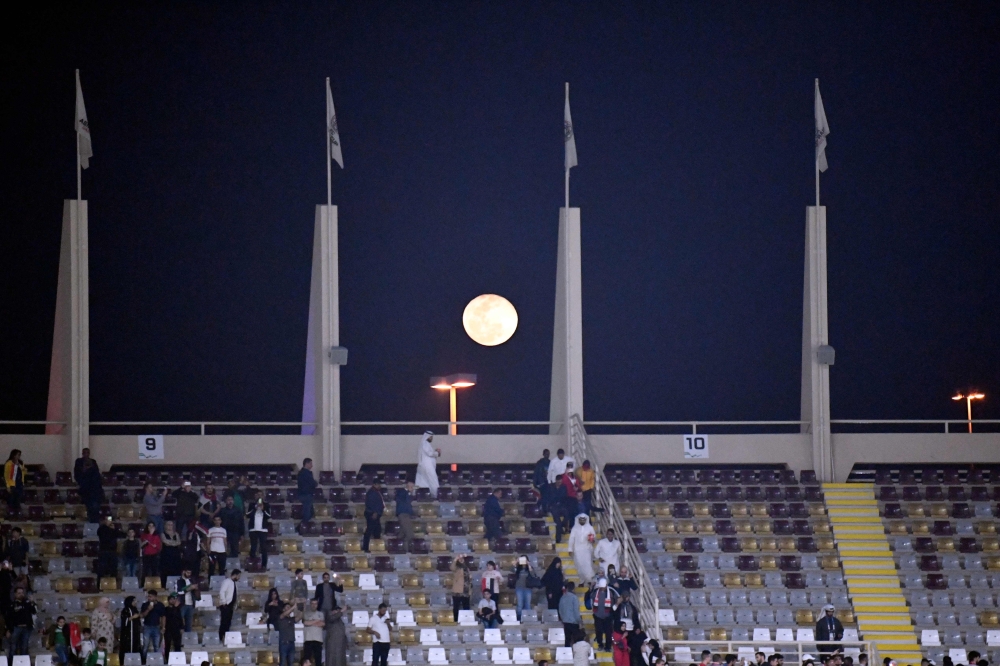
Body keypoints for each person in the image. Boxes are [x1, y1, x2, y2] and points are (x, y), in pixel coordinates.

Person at [75, 449, 104, 523]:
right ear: (82, 453)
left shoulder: (94, 467)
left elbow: (98, 479)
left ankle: (94, 526)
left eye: (87, 453)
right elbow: (77, 476)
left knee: (95, 511)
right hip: (87, 492)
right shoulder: (79, 462)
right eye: (84, 453)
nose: (86, 455)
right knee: (90, 510)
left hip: (94, 493)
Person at [7, 587, 36, 659]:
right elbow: (8, 618)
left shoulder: (27, 603)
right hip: (15, 628)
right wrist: (8, 629)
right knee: (13, 648)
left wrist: (32, 602)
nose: (21, 594)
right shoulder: (12, 605)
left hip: (26, 628)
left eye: (22, 593)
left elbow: (34, 612)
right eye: (19, 593)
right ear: (15, 594)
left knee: (24, 647)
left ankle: (24, 663)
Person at [592, 577, 619, 652]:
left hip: (607, 616)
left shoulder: (611, 592)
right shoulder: (595, 592)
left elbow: (616, 601)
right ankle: (600, 644)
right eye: (601, 588)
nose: (602, 589)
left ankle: (608, 646)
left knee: (608, 632)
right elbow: (591, 599)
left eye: (603, 588)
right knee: (598, 631)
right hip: (598, 616)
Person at [567, 514, 596, 582]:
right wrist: (570, 549)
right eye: (581, 519)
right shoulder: (575, 528)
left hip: (587, 549)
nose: (582, 521)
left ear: (586, 520)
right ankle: (582, 580)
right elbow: (571, 539)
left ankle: (590, 581)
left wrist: (592, 540)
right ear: (578, 520)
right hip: (577, 550)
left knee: (588, 565)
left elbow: (594, 539)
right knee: (580, 565)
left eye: (584, 519)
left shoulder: (590, 528)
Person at [246, 490, 271, 568]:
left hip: (263, 530)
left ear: (263, 496)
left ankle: (263, 565)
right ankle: (252, 564)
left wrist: (263, 509)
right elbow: (247, 515)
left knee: (263, 548)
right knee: (253, 547)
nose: (259, 496)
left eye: (261, 495)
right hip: (253, 529)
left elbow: (268, 516)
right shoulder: (252, 504)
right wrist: (255, 508)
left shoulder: (266, 505)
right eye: (258, 495)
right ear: (255, 496)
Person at [97, 516, 125, 583]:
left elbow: (122, 535)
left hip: (112, 552)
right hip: (104, 552)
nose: (110, 521)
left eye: (110, 520)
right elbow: (104, 535)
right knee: (102, 570)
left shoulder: (113, 529)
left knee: (113, 570)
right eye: (108, 520)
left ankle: (113, 584)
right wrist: (112, 529)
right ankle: (100, 585)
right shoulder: (101, 529)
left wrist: (113, 529)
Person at [139, 590, 165, 658]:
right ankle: (143, 660)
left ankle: (157, 659)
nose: (149, 598)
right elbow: (142, 615)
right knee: (145, 645)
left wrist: (163, 627)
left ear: (155, 597)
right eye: (148, 596)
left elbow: (163, 616)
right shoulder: (145, 605)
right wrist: (148, 609)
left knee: (156, 645)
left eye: (151, 596)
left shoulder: (160, 605)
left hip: (157, 627)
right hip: (147, 626)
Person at [415, 431, 441, 496]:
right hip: (427, 467)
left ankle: (420, 495)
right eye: (431, 437)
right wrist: (437, 453)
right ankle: (436, 495)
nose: (432, 438)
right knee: (433, 480)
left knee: (422, 481)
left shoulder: (424, 444)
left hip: (423, 467)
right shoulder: (425, 443)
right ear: (428, 437)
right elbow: (430, 453)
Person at [362, 479, 385, 553]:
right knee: (370, 531)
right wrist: (375, 512)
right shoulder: (372, 493)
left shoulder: (375, 492)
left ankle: (376, 546)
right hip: (372, 514)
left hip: (376, 514)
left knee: (377, 531)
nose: (379, 486)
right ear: (375, 484)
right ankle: (365, 547)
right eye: (378, 484)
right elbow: (371, 504)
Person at [218, 569, 241, 642]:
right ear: (236, 575)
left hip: (230, 606)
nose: (239, 577)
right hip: (226, 605)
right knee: (224, 622)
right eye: (239, 576)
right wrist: (224, 602)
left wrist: (235, 605)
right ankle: (221, 637)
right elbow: (222, 592)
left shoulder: (234, 583)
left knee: (228, 622)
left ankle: (226, 637)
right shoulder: (227, 581)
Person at [558, 581, 582, 648]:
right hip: (574, 622)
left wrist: (563, 619)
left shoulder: (562, 597)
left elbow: (560, 610)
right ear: (574, 588)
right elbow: (576, 611)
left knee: (567, 640)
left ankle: (566, 655)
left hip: (565, 622)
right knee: (576, 641)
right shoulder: (574, 598)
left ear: (567, 588)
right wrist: (579, 621)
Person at [302, 599, 325, 666]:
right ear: (310, 604)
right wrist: (317, 621)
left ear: (317, 605)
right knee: (307, 660)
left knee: (318, 661)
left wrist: (311, 622)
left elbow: (322, 624)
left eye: (315, 604)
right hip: (308, 639)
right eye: (312, 603)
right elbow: (305, 623)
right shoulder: (306, 613)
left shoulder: (320, 614)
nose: (314, 605)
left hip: (318, 640)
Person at [512, 556, 536, 621]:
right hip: (519, 588)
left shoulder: (529, 568)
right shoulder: (518, 568)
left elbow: (533, 575)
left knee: (527, 604)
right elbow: (512, 569)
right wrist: (517, 562)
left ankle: (527, 618)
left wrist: (528, 564)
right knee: (520, 604)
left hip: (528, 588)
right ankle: (519, 618)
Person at [119, 596, 142, 662]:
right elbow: (124, 621)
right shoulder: (125, 610)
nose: (135, 602)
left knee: (136, 645)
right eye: (133, 601)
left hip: (135, 632)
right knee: (127, 646)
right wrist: (132, 617)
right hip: (127, 633)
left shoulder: (135, 609)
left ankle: (135, 660)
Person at [394, 481, 416, 552]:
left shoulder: (407, 494)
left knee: (402, 534)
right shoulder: (402, 492)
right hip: (403, 515)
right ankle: (406, 550)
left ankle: (396, 547)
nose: (413, 489)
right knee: (410, 535)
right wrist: (408, 491)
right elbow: (400, 499)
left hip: (406, 515)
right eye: (412, 487)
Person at [297, 458, 318, 531]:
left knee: (310, 512)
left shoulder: (301, 473)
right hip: (306, 495)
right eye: (311, 463)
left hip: (305, 494)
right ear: (307, 464)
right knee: (307, 514)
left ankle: (301, 527)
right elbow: (313, 483)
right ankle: (300, 528)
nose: (312, 465)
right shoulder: (306, 473)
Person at [160, 521, 182, 588]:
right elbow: (165, 541)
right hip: (166, 556)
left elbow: (179, 542)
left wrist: (170, 543)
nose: (170, 526)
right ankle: (165, 586)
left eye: (171, 525)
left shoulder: (176, 534)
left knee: (176, 570)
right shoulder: (162, 534)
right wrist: (174, 543)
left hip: (175, 556)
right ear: (165, 526)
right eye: (168, 524)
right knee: (166, 571)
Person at [140, 521, 162, 587]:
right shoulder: (144, 535)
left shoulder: (157, 536)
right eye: (149, 526)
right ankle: (143, 585)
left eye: (152, 526)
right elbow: (145, 543)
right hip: (146, 555)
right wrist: (150, 534)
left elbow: (159, 547)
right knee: (145, 571)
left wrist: (156, 546)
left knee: (154, 571)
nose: (151, 527)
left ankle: (155, 585)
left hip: (154, 555)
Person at [276, 599, 297, 666]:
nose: (289, 609)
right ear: (283, 609)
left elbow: (299, 617)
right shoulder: (280, 617)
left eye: (289, 607)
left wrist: (303, 607)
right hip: (284, 643)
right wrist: (293, 607)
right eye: (287, 607)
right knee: (282, 663)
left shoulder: (291, 619)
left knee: (291, 663)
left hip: (291, 643)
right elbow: (283, 615)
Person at [452, 555, 472, 622]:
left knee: (466, 607)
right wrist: (455, 558)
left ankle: (466, 620)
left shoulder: (467, 568)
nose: (461, 560)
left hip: (466, 590)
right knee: (456, 607)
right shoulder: (456, 568)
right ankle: (455, 620)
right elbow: (452, 567)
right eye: (460, 559)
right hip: (458, 591)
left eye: (462, 559)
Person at [176, 568, 197, 633]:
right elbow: (178, 592)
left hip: (190, 604)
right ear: (183, 572)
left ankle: (188, 638)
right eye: (187, 573)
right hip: (182, 604)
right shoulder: (179, 581)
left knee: (189, 624)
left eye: (190, 573)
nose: (189, 574)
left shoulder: (192, 580)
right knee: (179, 623)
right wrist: (188, 589)